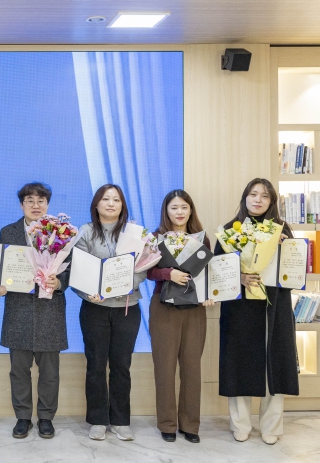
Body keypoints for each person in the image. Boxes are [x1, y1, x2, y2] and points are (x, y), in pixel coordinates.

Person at [215, 178, 298, 445]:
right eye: (253, 194)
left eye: (264, 196)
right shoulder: (230, 230)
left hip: (275, 305)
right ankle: (240, 424)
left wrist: (285, 247)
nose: (258, 200)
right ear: (245, 198)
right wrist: (239, 277)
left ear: (272, 202)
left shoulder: (283, 228)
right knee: (239, 361)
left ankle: (271, 425)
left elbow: (293, 269)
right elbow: (217, 270)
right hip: (240, 307)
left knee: (275, 361)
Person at [72, 184, 146, 442]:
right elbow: (76, 269)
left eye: (116, 199)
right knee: (95, 365)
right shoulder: (85, 232)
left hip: (127, 308)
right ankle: (97, 419)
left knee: (121, 365)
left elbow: (143, 268)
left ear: (122, 205)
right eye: (106, 199)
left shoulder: (134, 233)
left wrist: (125, 285)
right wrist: (88, 292)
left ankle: (120, 420)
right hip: (95, 308)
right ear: (96, 203)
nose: (111, 203)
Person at [0, 182, 70, 439]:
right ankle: (23, 417)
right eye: (30, 201)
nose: (36, 205)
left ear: (47, 205)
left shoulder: (61, 233)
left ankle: (46, 418)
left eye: (41, 201)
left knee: (50, 372)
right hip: (18, 310)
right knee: (19, 370)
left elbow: (71, 270)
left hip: (50, 310)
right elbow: (0, 268)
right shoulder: (8, 232)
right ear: (21, 205)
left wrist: (58, 282)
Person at [147, 189, 215, 443]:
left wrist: (210, 293)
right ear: (166, 211)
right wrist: (168, 274)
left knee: (192, 367)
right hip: (163, 308)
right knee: (164, 367)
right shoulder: (155, 238)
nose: (179, 212)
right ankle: (167, 424)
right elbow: (148, 272)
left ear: (190, 210)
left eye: (184, 207)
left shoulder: (202, 239)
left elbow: (209, 271)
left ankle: (190, 425)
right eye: (174, 207)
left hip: (195, 308)